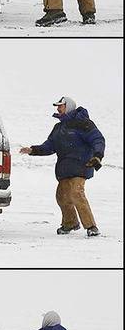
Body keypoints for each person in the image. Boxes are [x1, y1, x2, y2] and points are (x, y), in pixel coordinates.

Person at [20, 96, 105, 237]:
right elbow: (49, 146)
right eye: (57, 106)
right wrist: (33, 150)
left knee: (76, 193)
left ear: (69, 107)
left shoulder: (84, 123)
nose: (58, 108)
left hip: (82, 165)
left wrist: (97, 155)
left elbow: (98, 139)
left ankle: (91, 226)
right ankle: (70, 223)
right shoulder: (58, 128)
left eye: (61, 106)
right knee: (61, 196)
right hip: (64, 168)